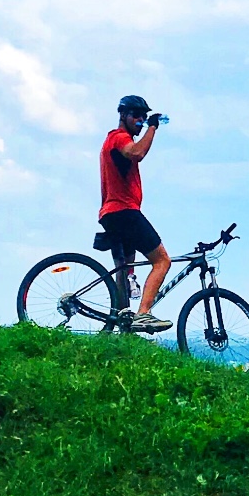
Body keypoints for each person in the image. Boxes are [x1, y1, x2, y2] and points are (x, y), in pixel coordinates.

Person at [99, 96, 173, 331]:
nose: (140, 120)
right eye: (136, 116)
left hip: (112, 213)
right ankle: (144, 314)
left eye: (143, 116)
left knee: (124, 268)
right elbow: (136, 153)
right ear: (123, 115)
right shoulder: (119, 138)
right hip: (124, 212)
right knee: (162, 261)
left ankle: (123, 322)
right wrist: (153, 126)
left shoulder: (113, 139)